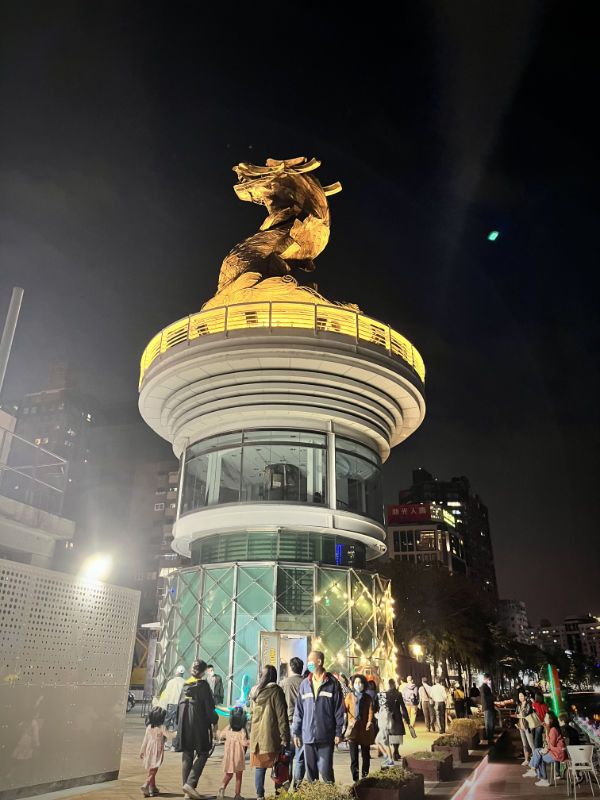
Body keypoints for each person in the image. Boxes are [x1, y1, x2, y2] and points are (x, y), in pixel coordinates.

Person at [292, 650, 345, 783]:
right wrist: (296, 732)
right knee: (311, 774)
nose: (308, 664)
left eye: (310, 661)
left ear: (319, 662)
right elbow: (299, 710)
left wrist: (338, 732)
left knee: (325, 770)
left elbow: (339, 710)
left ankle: (330, 796)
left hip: (326, 736)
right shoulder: (305, 684)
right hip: (308, 736)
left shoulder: (332, 684)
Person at [177, 659, 218, 799]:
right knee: (203, 753)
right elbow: (209, 707)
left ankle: (187, 792)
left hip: (184, 725)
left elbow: (178, 706)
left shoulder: (185, 685)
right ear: (202, 672)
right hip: (199, 724)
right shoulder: (203, 685)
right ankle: (190, 783)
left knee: (187, 755)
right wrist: (214, 721)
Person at [249, 665, 289, 800]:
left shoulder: (254, 692)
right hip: (271, 737)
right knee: (278, 766)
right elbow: (281, 716)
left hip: (257, 738)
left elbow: (251, 713)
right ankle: (279, 795)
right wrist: (285, 737)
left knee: (260, 768)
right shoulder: (276, 691)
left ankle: (260, 795)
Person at [523, 711, 566, 787]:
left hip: (557, 754)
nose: (544, 719)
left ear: (551, 720)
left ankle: (539, 775)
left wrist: (546, 749)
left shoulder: (553, 730)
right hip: (555, 752)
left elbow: (551, 744)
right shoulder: (552, 729)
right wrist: (546, 729)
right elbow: (549, 743)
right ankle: (535, 772)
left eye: (546, 717)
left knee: (539, 756)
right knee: (537, 751)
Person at [280, 657, 304, 788]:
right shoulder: (306, 683)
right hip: (303, 724)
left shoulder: (284, 683)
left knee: (287, 756)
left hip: (288, 722)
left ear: (291, 667)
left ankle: (286, 783)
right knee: (300, 757)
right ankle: (297, 787)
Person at [344, 674, 374, 781]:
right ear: (353, 684)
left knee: (366, 756)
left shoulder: (368, 697)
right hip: (353, 731)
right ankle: (355, 779)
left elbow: (371, 710)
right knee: (354, 757)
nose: (358, 685)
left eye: (360, 683)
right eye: (356, 683)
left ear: (364, 684)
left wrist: (369, 722)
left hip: (364, 730)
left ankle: (364, 776)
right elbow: (344, 710)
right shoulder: (349, 697)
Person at [217, 707, 250, 800]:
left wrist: (217, 732)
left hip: (228, 756)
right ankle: (237, 795)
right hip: (238, 757)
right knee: (239, 776)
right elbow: (244, 743)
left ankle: (222, 786)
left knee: (229, 774)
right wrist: (251, 742)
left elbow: (221, 735)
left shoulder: (229, 728)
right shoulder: (242, 731)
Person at [140, 706, 167, 797]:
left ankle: (152, 787)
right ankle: (146, 784)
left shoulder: (149, 727)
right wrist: (177, 733)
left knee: (152, 768)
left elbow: (145, 740)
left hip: (149, 750)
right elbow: (170, 735)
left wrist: (142, 751)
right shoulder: (162, 728)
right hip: (157, 751)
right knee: (154, 769)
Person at [159, 665, 185, 749]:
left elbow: (166, 695)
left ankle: (163, 743)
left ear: (176, 672)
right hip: (180, 706)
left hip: (170, 705)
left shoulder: (171, 682)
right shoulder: (185, 682)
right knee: (176, 725)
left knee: (166, 723)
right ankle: (174, 745)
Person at [386, 678, 411, 761]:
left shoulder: (385, 694)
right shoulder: (398, 694)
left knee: (392, 734)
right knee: (397, 734)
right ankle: (396, 751)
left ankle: (395, 751)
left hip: (389, 716)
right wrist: (407, 718)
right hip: (397, 716)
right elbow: (403, 707)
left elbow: (383, 707)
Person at [515, 690, 535, 765]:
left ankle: (535, 759)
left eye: (522, 696)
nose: (520, 697)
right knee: (524, 744)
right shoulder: (519, 705)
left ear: (525, 696)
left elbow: (526, 713)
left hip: (528, 726)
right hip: (521, 726)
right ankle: (527, 760)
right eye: (519, 696)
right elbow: (516, 714)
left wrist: (520, 715)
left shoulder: (528, 704)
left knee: (531, 743)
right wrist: (519, 715)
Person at [479, 673, 496, 743]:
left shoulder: (485, 687)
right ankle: (489, 738)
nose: (490, 681)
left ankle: (490, 737)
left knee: (489, 722)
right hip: (488, 707)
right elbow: (486, 698)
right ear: (486, 679)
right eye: (489, 679)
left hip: (488, 707)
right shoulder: (484, 687)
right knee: (489, 723)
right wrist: (493, 698)